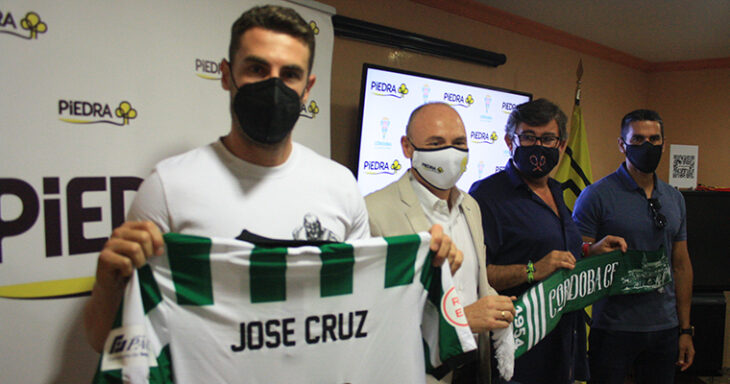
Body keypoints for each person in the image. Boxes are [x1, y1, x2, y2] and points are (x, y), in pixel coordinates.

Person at [83, 5, 459, 353]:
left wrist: (429, 272)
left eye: (289, 74)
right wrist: (108, 284)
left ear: (307, 88)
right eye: (257, 69)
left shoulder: (340, 186)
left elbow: (362, 316)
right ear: (227, 75)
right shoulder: (168, 188)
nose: (274, 86)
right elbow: (109, 343)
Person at [468, 98, 626, 384]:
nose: (538, 147)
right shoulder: (486, 195)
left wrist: (590, 250)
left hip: (564, 342)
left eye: (548, 139)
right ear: (509, 141)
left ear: (561, 145)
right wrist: (531, 269)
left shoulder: (555, 189)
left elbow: (556, 253)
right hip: (517, 351)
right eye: (528, 137)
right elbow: (475, 276)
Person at [366, 102, 516, 384]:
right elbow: (371, 316)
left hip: (474, 367)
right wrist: (459, 320)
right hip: (418, 374)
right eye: (436, 143)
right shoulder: (373, 212)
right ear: (407, 147)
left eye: (459, 143)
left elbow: (474, 279)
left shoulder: (470, 205)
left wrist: (496, 304)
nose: (450, 153)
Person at [573, 109, 695, 383]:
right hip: (614, 328)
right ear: (622, 144)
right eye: (638, 139)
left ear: (663, 142)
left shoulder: (675, 198)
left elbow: (681, 265)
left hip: (665, 328)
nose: (647, 146)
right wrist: (593, 252)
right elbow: (574, 258)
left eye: (654, 139)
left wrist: (685, 330)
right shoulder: (596, 196)